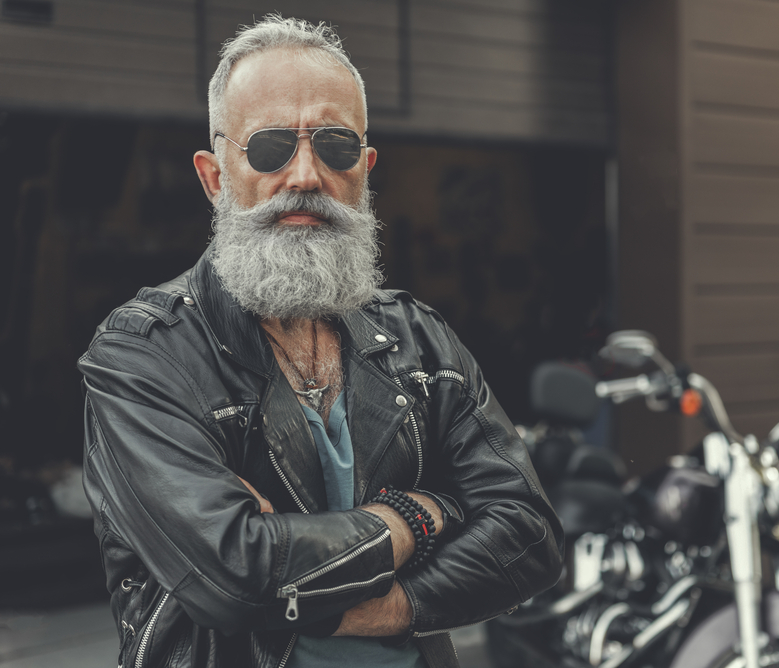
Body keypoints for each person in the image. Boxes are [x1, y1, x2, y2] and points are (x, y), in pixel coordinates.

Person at [78, 15, 563, 668]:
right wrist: (419, 518)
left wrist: (391, 606)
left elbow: (528, 538)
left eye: (334, 146)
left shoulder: (421, 341)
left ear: (363, 169)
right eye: (270, 147)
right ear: (215, 175)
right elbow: (235, 576)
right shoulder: (144, 354)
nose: (305, 174)